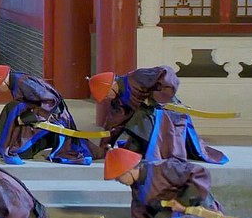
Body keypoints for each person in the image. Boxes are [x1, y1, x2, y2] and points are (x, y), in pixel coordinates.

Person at [89, 66, 227, 164]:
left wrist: (155, 98)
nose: (107, 97)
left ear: (111, 85)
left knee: (139, 117)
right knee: (134, 129)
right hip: (145, 120)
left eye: (106, 94)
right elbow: (114, 124)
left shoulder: (137, 76)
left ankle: (155, 151)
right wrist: (105, 147)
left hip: (166, 113)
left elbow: (167, 72)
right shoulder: (118, 101)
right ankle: (142, 149)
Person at [104, 148, 241, 218]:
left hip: (197, 206)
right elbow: (139, 212)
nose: (118, 181)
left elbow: (200, 173)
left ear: (128, 171)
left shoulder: (164, 168)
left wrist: (183, 202)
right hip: (171, 212)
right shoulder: (137, 185)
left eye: (118, 178)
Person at [0, 65, 105, 165]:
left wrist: (32, 116)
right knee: (13, 108)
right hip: (38, 111)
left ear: (1, 81)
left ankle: (14, 147)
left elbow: (51, 100)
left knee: (15, 108)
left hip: (53, 115)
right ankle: (8, 143)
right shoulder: (16, 82)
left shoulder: (24, 82)